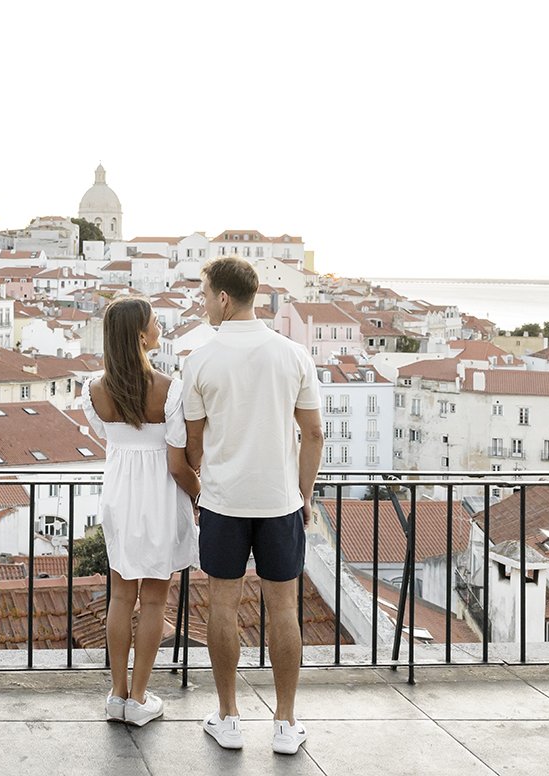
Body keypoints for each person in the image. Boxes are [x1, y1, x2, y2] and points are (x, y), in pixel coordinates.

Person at [182, 256, 324, 756]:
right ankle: (285, 724)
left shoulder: (199, 360)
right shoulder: (293, 355)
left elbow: (194, 441)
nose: (202, 303)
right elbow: (314, 433)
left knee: (222, 605)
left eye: (204, 295)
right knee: (284, 609)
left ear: (223, 297)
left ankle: (229, 717)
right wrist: (303, 494)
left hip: (223, 502)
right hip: (280, 501)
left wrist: (209, 478)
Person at [80, 297, 201, 727]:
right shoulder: (170, 389)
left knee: (120, 595)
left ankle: (116, 695)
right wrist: (200, 495)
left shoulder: (93, 389)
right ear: (139, 335)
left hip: (119, 492)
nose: (160, 329)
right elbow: (176, 461)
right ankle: (139, 697)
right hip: (160, 493)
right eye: (154, 323)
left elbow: (110, 440)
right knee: (154, 600)